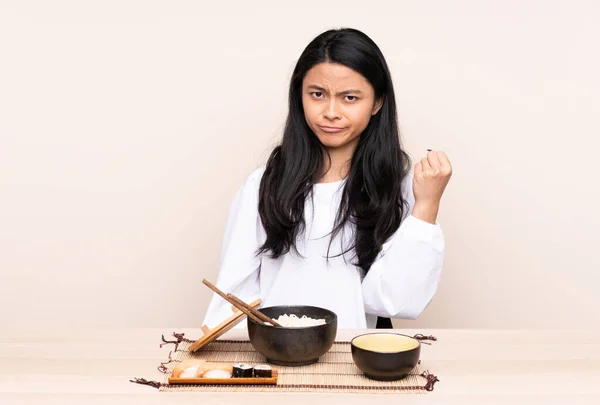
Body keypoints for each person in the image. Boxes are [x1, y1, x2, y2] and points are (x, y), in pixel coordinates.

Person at [202, 28, 452, 329]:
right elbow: (233, 300)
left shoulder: (397, 188)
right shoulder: (262, 186)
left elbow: (395, 302)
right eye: (318, 94)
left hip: (355, 365)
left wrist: (427, 205)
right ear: (300, 95)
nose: (331, 112)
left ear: (377, 103)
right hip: (276, 361)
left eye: (349, 98)